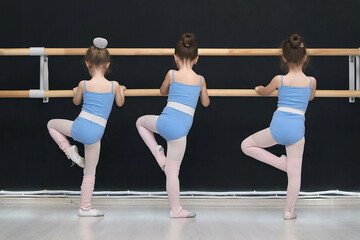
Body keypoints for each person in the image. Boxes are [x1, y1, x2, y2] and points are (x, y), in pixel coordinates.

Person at [241, 33, 316, 220]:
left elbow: (264, 92)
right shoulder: (311, 82)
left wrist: (258, 89)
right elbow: (311, 97)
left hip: (278, 127)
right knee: (295, 174)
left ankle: (281, 163)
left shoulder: (279, 80)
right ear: (305, 57)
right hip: (297, 131)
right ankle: (289, 211)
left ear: (284, 58)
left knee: (246, 145)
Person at [47, 37, 126, 217]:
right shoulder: (113, 86)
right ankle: (85, 208)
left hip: (79, 127)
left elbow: (76, 102)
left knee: (51, 124)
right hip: (96, 134)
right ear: (107, 64)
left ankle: (69, 152)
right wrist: (121, 90)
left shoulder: (84, 84)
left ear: (87, 63)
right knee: (89, 172)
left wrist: (77, 91)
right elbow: (120, 103)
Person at [136, 33, 210, 218]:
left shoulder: (171, 74)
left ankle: (160, 156)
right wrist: (202, 92)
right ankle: (176, 210)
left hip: (164, 122)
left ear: (175, 57)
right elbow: (206, 103)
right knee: (173, 172)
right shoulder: (200, 79)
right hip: (181, 132)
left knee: (140, 123)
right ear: (196, 59)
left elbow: (162, 91)